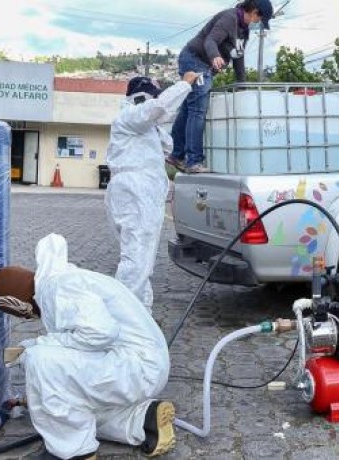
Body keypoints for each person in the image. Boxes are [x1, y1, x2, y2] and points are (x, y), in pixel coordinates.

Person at [0, 234, 176, 460]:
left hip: (136, 366)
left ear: (17, 304)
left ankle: (72, 453)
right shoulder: (66, 280)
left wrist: (39, 346)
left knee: (42, 360)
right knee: (77, 410)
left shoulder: (58, 287)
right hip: (140, 364)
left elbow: (101, 332)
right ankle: (144, 420)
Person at [105, 71, 198, 310]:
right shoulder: (130, 116)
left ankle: (140, 315)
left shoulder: (145, 129)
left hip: (139, 194)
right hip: (136, 193)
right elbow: (158, 108)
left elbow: (168, 143)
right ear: (142, 97)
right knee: (137, 260)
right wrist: (184, 84)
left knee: (140, 259)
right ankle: (126, 320)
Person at [168, 0, 274, 174]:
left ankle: (176, 154)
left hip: (204, 64)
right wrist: (215, 56)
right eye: (258, 19)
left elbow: (238, 59)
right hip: (194, 59)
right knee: (198, 109)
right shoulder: (229, 18)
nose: (257, 23)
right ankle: (193, 160)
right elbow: (210, 41)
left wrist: (242, 88)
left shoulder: (243, 31)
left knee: (189, 108)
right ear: (254, 11)